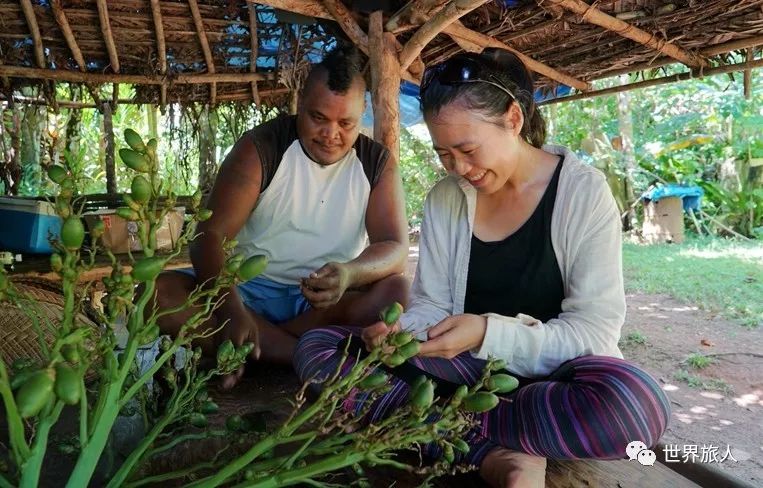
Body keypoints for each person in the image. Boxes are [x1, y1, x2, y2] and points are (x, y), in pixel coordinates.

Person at [293, 48, 670, 487]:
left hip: (551, 382)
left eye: (467, 149)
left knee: (633, 405)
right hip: (466, 371)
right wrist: (404, 335)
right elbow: (433, 303)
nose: (459, 168)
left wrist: (488, 332)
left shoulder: (582, 195)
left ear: (513, 119)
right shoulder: (445, 198)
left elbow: (594, 334)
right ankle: (498, 450)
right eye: (444, 154)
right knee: (318, 348)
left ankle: (444, 429)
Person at [153, 44, 409, 389]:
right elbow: (207, 238)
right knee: (159, 293)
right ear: (300, 104)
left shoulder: (376, 162)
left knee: (395, 291)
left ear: (362, 114)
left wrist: (350, 273)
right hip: (246, 292)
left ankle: (253, 347)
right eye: (318, 118)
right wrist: (231, 310)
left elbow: (394, 246)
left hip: (321, 304)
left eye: (346, 123)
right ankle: (306, 356)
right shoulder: (262, 147)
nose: (331, 135)